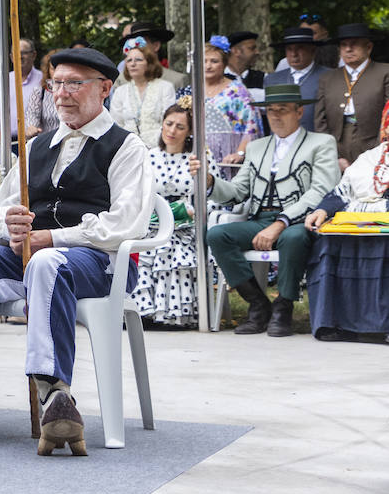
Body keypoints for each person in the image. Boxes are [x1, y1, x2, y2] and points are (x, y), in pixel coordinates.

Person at [0, 48, 151, 455]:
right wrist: (11, 227)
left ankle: (53, 394)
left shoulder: (125, 147)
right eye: (56, 83)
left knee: (47, 260)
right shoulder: (36, 147)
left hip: (103, 264)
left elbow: (127, 223)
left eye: (75, 83)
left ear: (105, 88)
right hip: (34, 260)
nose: (62, 93)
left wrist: (52, 238)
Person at [199, 84, 339, 337]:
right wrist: (210, 182)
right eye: (271, 110)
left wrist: (281, 222)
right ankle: (258, 304)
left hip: (298, 221)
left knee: (293, 237)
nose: (275, 115)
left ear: (299, 112)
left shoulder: (321, 143)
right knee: (217, 235)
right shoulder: (256, 147)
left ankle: (283, 307)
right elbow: (238, 191)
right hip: (260, 218)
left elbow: (320, 191)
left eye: (282, 110)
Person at [303, 106, 389, 343]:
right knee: (328, 240)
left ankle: (381, 327)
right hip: (354, 223)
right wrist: (321, 209)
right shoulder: (369, 158)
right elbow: (342, 191)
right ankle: (334, 324)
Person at [131, 103, 209, 328]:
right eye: (169, 124)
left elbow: (210, 196)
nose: (172, 131)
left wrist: (192, 209)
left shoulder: (197, 158)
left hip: (185, 227)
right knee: (143, 246)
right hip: (151, 223)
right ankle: (142, 313)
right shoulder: (148, 156)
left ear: (190, 132)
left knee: (172, 248)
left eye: (180, 127)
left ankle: (174, 314)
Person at [314, 23, 389, 171]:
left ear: (369, 47)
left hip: (374, 145)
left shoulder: (384, 72)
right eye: (343, 45)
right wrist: (333, 156)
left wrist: (375, 155)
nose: (348, 49)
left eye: (354, 44)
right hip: (338, 149)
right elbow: (320, 121)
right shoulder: (328, 78)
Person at [191, 39, 261, 163]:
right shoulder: (192, 90)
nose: (208, 66)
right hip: (197, 158)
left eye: (214, 61)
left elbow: (252, 126)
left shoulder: (238, 91)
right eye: (204, 61)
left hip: (229, 156)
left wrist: (240, 153)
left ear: (224, 64)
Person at [108, 38, 176, 147]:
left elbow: (170, 122)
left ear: (149, 63)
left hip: (158, 149)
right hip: (128, 149)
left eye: (138, 60)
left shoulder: (165, 87)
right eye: (129, 60)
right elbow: (116, 124)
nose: (133, 64)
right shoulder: (120, 92)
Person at [266, 26, 330, 132]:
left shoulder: (328, 76)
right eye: (289, 49)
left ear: (312, 50)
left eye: (299, 48)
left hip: (315, 142)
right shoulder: (272, 79)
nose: (293, 54)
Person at [120, 21, 188, 88]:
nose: (137, 49)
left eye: (141, 43)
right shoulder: (121, 81)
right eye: (133, 45)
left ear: (156, 46)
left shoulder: (177, 81)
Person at [23, 48, 62, 141]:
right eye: (53, 68)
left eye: (61, 69)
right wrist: (31, 128)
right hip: (47, 144)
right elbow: (32, 115)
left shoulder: (77, 90)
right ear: (48, 70)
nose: (57, 73)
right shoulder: (40, 91)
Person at [225, 31, 266, 101]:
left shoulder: (263, 78)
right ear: (236, 51)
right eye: (252, 48)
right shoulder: (217, 78)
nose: (257, 52)